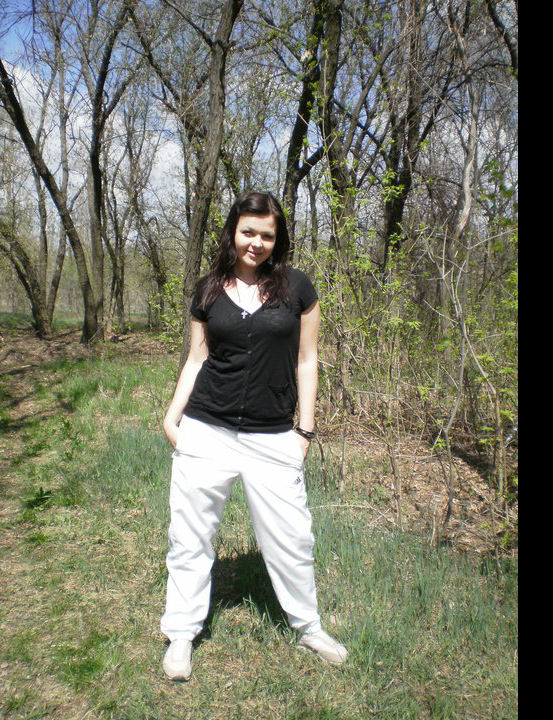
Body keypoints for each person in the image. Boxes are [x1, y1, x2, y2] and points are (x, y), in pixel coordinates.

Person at [160, 190, 348, 681]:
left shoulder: (297, 288)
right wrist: (172, 417)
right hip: (207, 428)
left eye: (267, 235)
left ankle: (308, 627)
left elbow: (308, 359)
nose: (256, 243)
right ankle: (181, 634)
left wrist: (305, 428)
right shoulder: (207, 289)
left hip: (273, 434)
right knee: (190, 536)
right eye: (248, 232)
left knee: (293, 536)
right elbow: (197, 359)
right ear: (233, 231)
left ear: (277, 238)